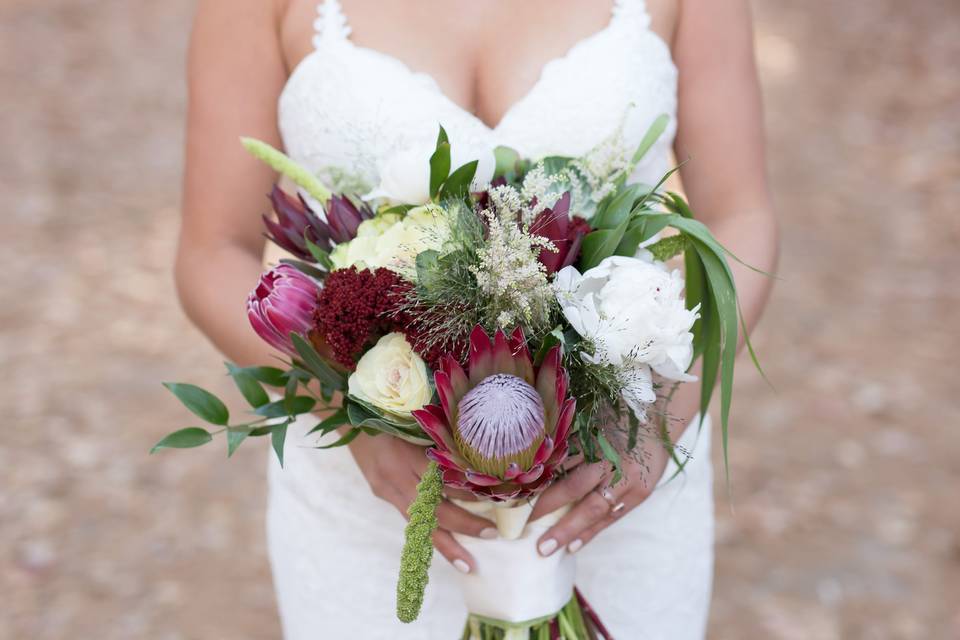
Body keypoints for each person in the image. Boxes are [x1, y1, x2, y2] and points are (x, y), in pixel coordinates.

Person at [175, 0, 779, 637]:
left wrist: (662, 418)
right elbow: (211, 254)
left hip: (616, 478)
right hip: (379, 505)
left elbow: (743, 217)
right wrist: (345, 413)